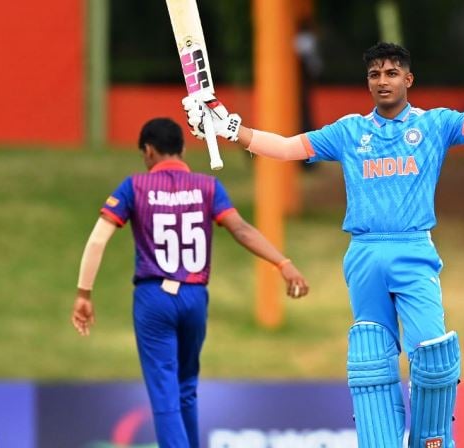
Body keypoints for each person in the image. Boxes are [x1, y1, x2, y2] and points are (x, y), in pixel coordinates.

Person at [182, 22, 464, 448]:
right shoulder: (349, 132)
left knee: (434, 359)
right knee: (371, 364)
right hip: (363, 255)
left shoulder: (434, 125)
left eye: (392, 73)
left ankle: (432, 440)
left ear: (409, 79)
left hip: (414, 251)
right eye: (375, 74)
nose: (383, 80)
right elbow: (283, 148)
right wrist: (228, 128)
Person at [70, 118, 309, 448]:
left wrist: (84, 292)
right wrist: (283, 263)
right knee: (186, 386)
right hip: (195, 297)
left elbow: (98, 240)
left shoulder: (134, 186)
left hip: (154, 296)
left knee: (163, 390)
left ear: (148, 151)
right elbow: (241, 230)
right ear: (183, 149)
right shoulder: (208, 186)